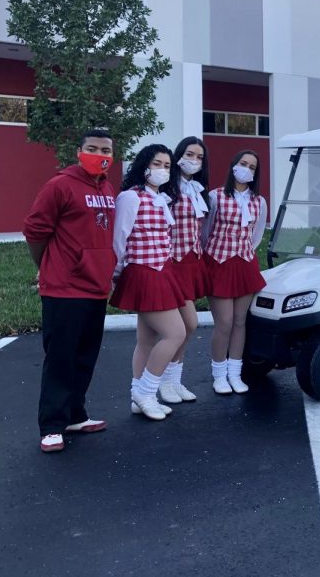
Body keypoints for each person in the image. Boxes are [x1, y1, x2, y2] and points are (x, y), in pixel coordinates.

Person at [23, 129, 116, 453]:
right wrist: (47, 266)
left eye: (105, 149)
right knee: (61, 358)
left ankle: (75, 414)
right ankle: (51, 425)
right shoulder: (59, 185)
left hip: (95, 287)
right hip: (64, 288)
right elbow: (35, 231)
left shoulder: (106, 187)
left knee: (84, 357)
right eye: (92, 148)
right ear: (79, 151)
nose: (99, 153)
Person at [112, 145, 187, 421]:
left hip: (161, 271)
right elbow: (119, 239)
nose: (163, 170)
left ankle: (138, 396)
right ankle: (146, 392)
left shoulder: (161, 198)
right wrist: (115, 274)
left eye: (167, 165)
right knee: (175, 334)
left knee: (146, 340)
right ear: (144, 165)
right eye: (157, 163)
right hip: (143, 272)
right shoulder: (130, 198)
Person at [203, 150, 268, 395]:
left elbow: (257, 234)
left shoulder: (258, 201)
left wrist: (244, 252)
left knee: (241, 322)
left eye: (252, 166)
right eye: (243, 163)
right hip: (218, 262)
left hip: (244, 264)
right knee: (225, 323)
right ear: (233, 166)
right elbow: (206, 231)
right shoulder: (215, 196)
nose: (247, 169)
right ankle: (219, 374)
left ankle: (235, 373)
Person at [159, 136, 211, 404]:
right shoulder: (168, 189)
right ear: (179, 155)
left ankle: (173, 380)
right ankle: (162, 381)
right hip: (172, 261)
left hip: (192, 260)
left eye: (199, 157)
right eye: (190, 154)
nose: (194, 161)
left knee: (187, 326)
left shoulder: (197, 189)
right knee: (187, 324)